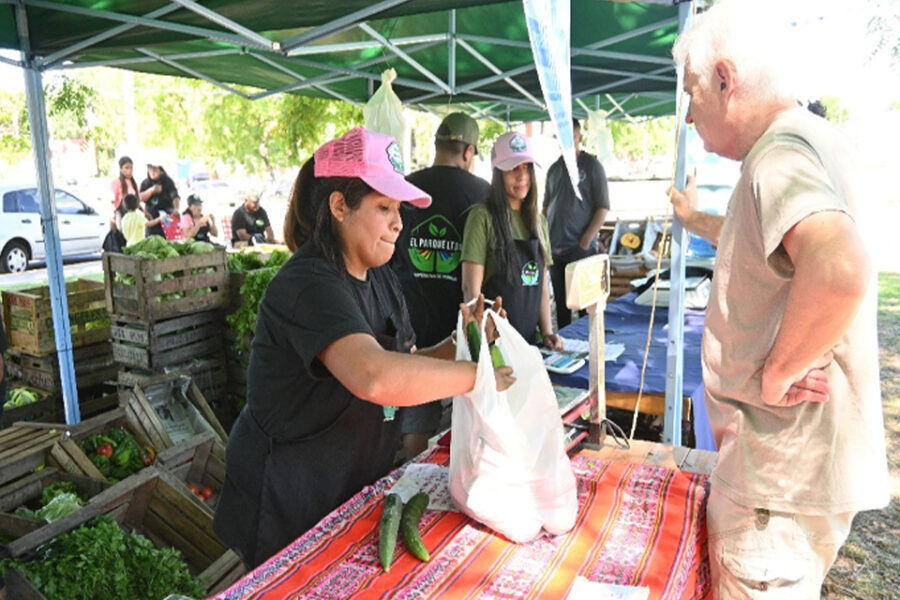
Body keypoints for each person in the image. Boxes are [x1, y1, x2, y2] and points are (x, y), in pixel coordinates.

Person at [213, 126, 513, 569]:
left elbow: (402, 365)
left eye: (398, 209)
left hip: (347, 483)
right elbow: (374, 376)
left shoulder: (381, 277)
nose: (398, 222)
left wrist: (463, 344)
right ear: (339, 206)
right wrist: (478, 378)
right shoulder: (308, 283)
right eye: (383, 207)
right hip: (287, 497)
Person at [667, 1, 889, 597]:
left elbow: (839, 267)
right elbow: (771, 241)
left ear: (724, 79)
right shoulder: (814, 141)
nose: (688, 116)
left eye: (692, 92)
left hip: (774, 487)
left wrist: (778, 372)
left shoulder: (776, 156)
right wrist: (697, 221)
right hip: (795, 476)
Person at [391, 112, 490, 458]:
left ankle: (408, 478)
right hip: (461, 327)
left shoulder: (403, 189)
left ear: (437, 145)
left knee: (416, 411)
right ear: (467, 152)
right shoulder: (484, 195)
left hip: (410, 322)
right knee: (468, 421)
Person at [461, 131, 564, 350]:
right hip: (493, 343)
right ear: (497, 172)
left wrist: (547, 333)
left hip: (528, 342)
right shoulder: (482, 216)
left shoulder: (539, 222)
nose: (522, 176)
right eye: (513, 169)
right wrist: (480, 342)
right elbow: (471, 289)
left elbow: (542, 286)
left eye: (526, 167)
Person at [543, 118, 610, 328]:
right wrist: (544, 240)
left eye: (571, 137)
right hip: (556, 249)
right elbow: (545, 208)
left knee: (584, 307)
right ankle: (562, 351)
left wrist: (585, 241)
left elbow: (602, 208)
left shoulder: (592, 166)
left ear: (579, 137)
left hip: (580, 250)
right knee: (561, 307)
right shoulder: (554, 169)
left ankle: (587, 352)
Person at [139, 160, 180, 238]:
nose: (152, 172)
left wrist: (176, 209)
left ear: (160, 170)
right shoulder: (145, 183)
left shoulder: (168, 181)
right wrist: (151, 190)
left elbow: (175, 197)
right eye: (150, 169)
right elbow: (140, 198)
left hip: (166, 218)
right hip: (152, 218)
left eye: (154, 169)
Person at [110, 156, 141, 230]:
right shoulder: (116, 183)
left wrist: (144, 212)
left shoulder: (133, 183)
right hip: (121, 214)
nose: (129, 170)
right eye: (126, 168)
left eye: (131, 168)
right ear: (121, 169)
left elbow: (136, 200)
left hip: (132, 215)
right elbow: (112, 201)